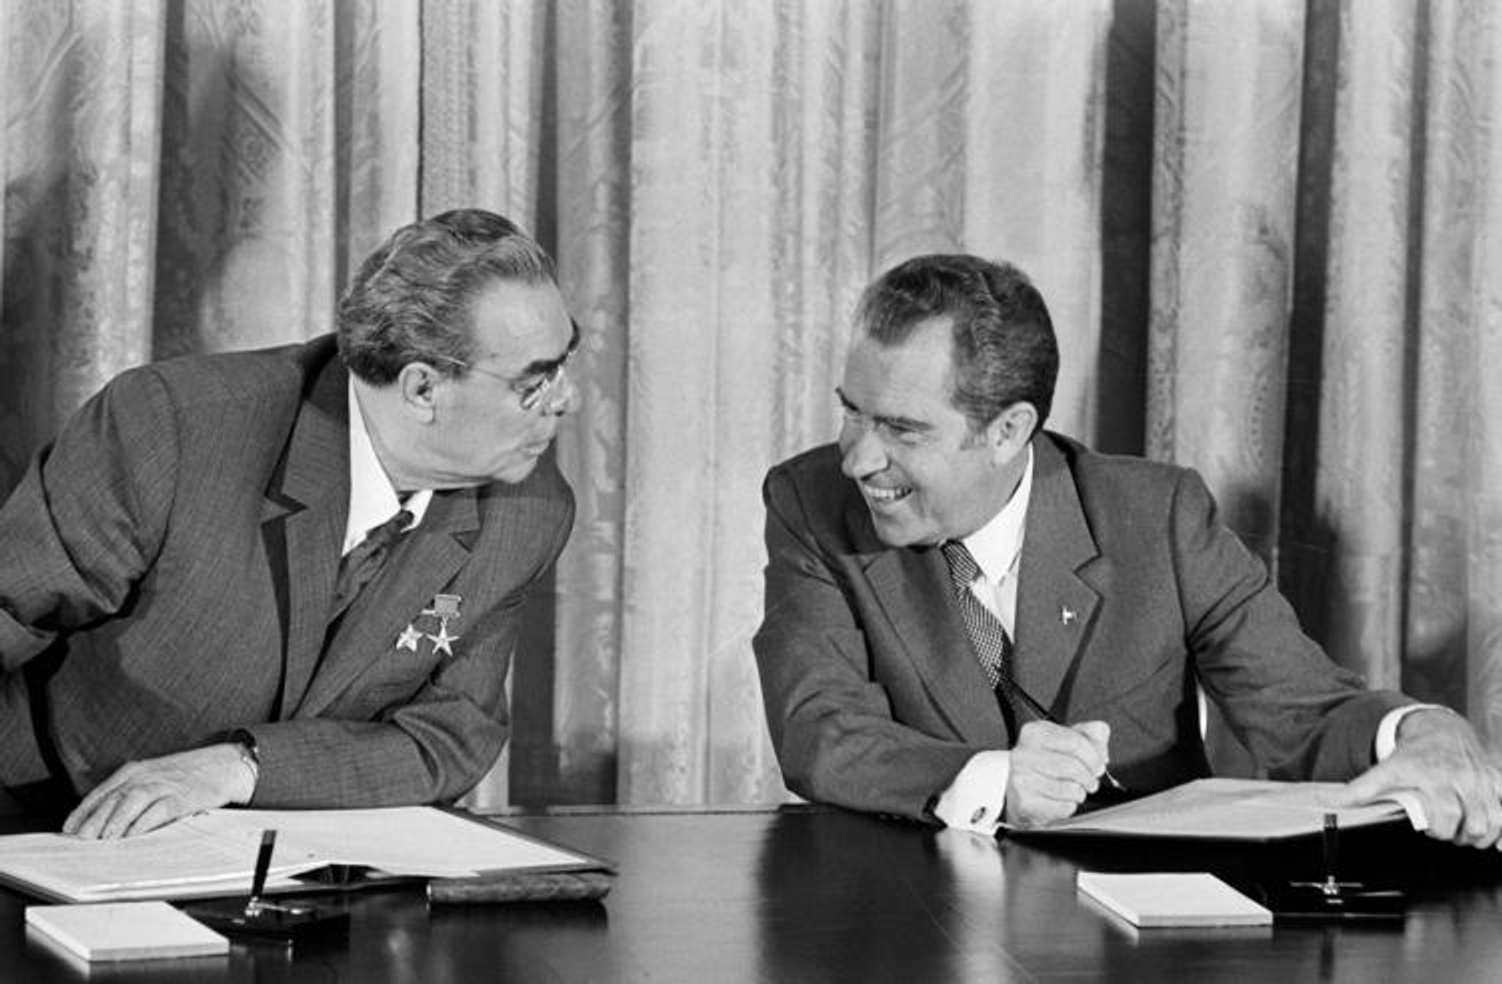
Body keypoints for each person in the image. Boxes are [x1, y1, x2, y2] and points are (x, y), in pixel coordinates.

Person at [753, 253, 1502, 847]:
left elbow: (1302, 709)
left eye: (901, 429)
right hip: (915, 919)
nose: (857, 458)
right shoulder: (810, 504)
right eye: (852, 412)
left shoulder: (1158, 518)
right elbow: (820, 728)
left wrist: (1422, 731)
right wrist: (991, 780)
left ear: (1009, 431)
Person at [0, 209, 578, 838]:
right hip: (44, 816)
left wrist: (240, 767)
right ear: (421, 389)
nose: (566, 399)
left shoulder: (529, 511)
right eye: (536, 382)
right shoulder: (175, 426)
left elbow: (447, 741)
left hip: (286, 854)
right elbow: (8, 609)